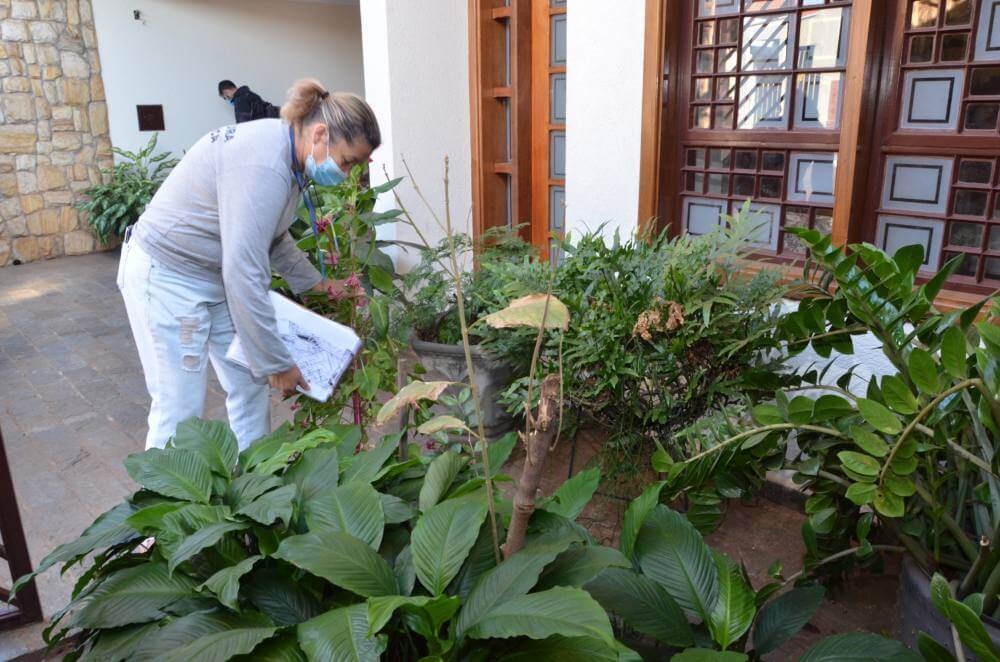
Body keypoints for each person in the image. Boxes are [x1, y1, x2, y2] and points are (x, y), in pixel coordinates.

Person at [118, 78, 380, 450]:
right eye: (348, 161)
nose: (348, 173)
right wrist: (276, 363)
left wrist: (314, 284)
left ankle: (254, 488)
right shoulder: (265, 165)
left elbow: (272, 234)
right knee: (180, 405)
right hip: (167, 277)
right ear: (320, 134)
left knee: (247, 384)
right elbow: (243, 274)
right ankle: (166, 500)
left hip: (211, 277)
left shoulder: (287, 153)